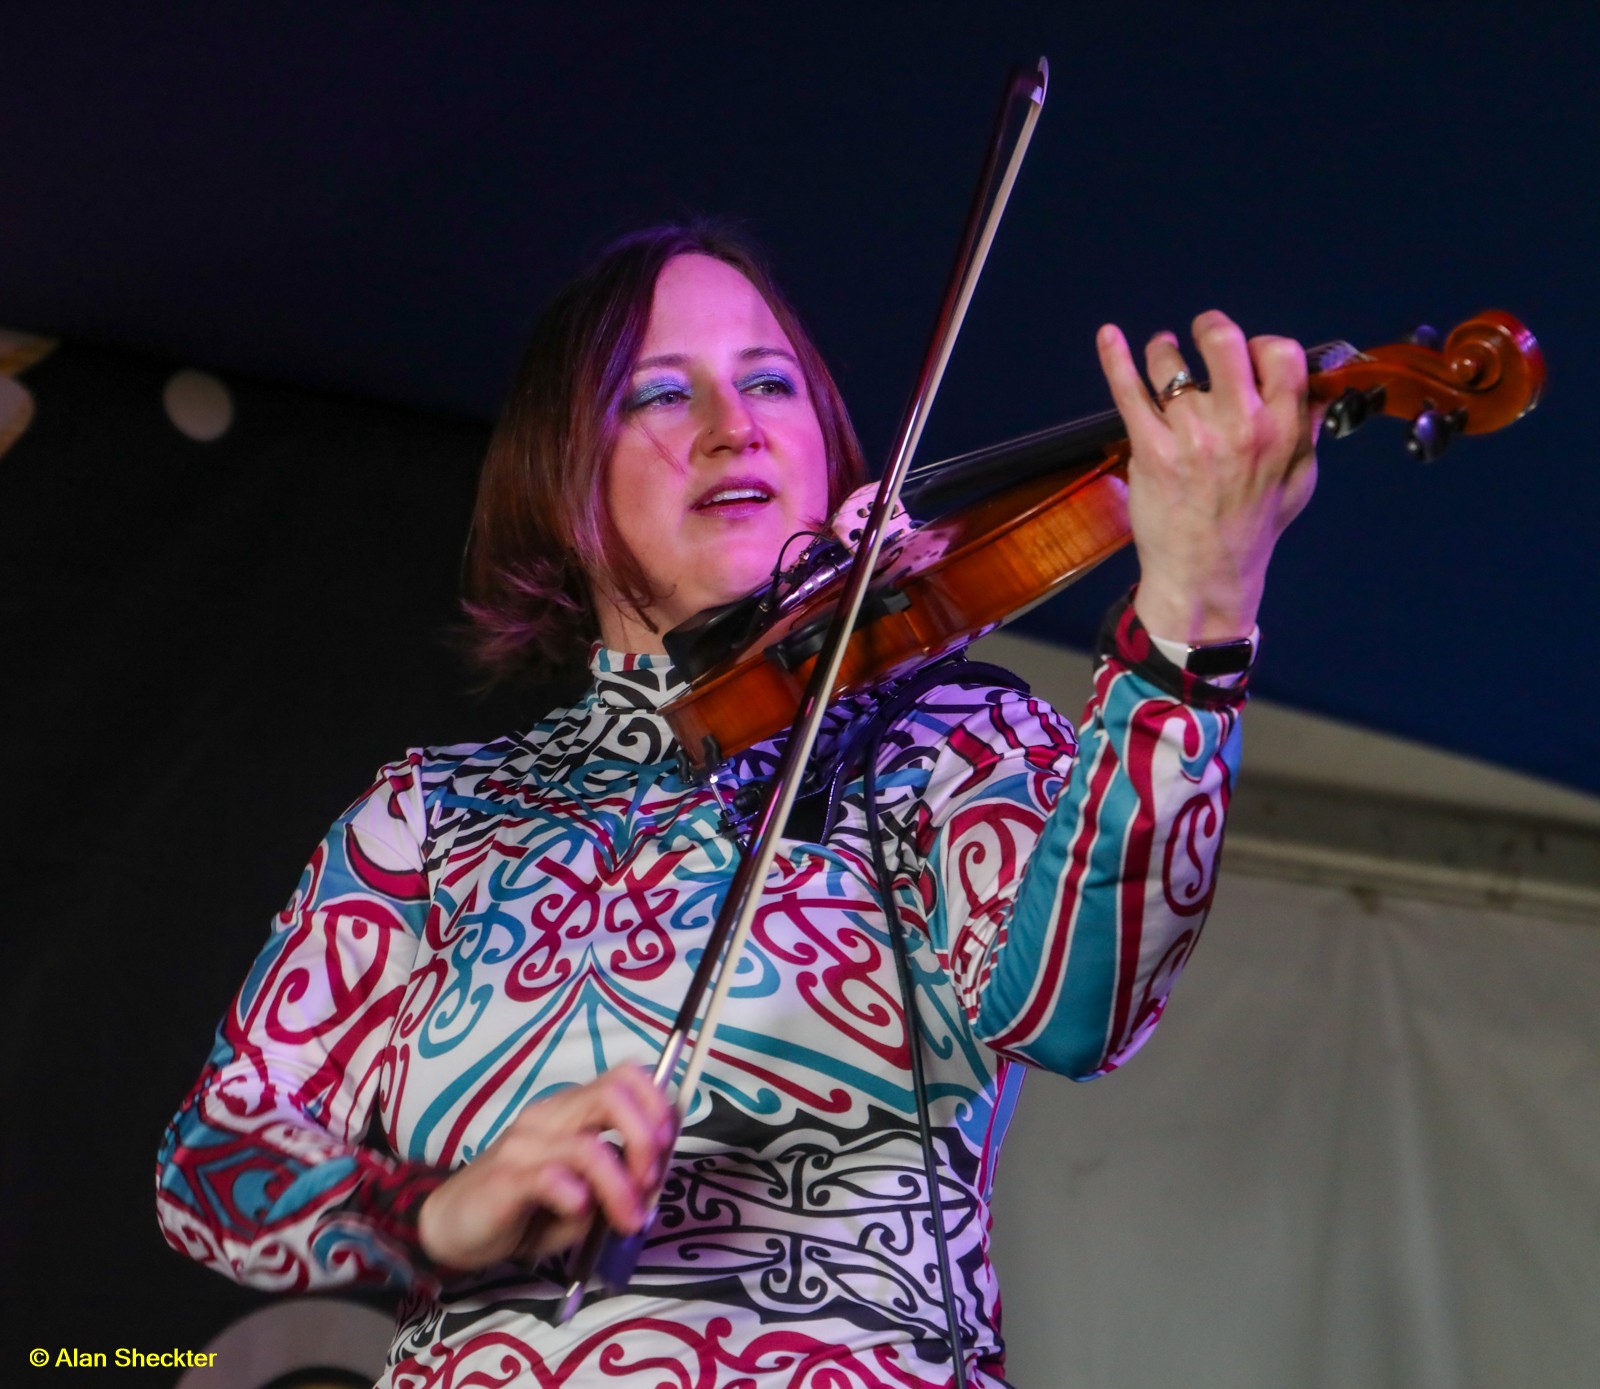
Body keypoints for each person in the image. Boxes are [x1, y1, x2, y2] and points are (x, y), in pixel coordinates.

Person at [156, 222, 1318, 1387]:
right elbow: (212, 1159)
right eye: (660, 395)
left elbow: (1075, 1009)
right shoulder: (439, 814)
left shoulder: (944, 738)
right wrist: (438, 1213)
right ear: (561, 480)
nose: (733, 426)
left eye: (769, 383)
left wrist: (1197, 616)